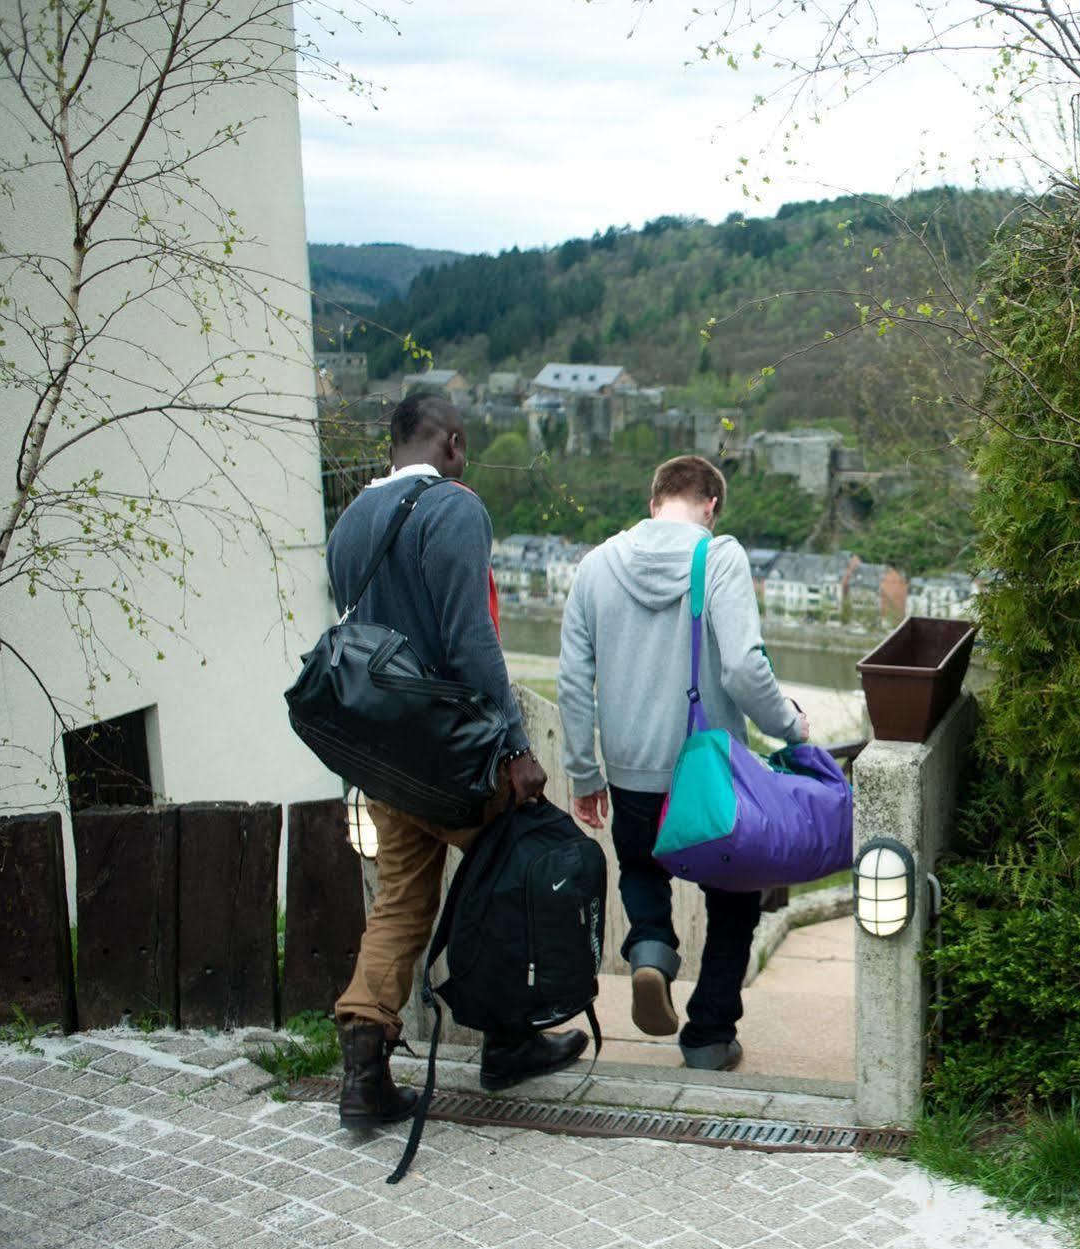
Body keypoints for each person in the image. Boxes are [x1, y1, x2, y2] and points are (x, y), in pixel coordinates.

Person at [327, 393, 587, 1127]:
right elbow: (471, 638)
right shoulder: (454, 508)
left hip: (383, 759)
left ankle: (362, 1068)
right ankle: (508, 1043)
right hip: (455, 755)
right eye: (461, 445)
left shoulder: (348, 523)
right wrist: (514, 746)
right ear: (450, 442)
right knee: (516, 879)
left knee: (403, 902)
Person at [557, 456, 809, 1073]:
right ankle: (707, 1036)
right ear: (711, 505)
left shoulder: (594, 566)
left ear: (654, 502)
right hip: (709, 775)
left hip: (629, 775)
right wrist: (791, 726)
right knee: (734, 898)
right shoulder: (718, 557)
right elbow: (744, 669)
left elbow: (572, 682)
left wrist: (585, 774)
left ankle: (650, 949)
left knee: (642, 869)